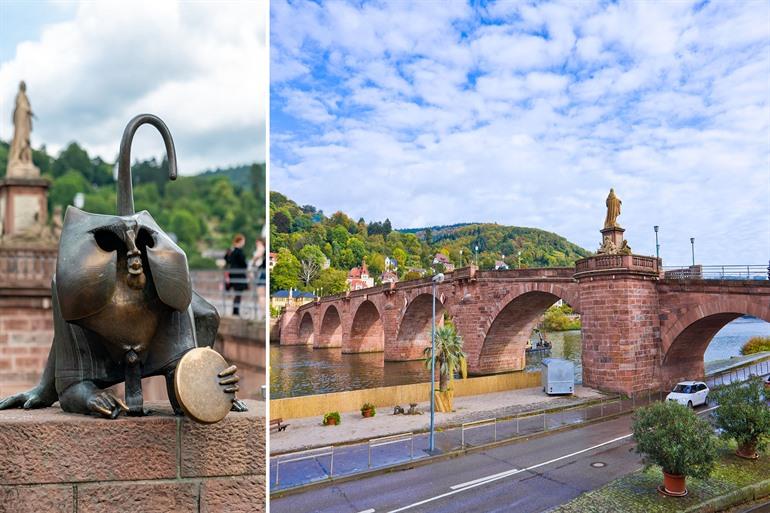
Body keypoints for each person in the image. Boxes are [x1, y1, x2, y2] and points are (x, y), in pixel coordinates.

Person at [224, 234, 248, 316]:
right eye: (243, 241)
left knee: (237, 294)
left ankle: (235, 310)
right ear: (240, 241)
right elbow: (244, 264)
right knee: (238, 294)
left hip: (233, 274)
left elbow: (227, 260)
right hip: (239, 275)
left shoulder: (232, 251)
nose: (244, 243)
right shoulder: (239, 251)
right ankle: (236, 311)